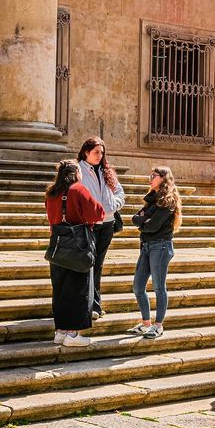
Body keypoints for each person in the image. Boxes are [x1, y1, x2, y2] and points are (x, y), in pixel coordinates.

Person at [45, 160, 105, 347]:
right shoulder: (79, 189)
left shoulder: (52, 192)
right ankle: (72, 334)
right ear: (76, 173)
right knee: (78, 289)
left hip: (57, 244)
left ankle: (61, 332)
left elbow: (50, 217)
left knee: (60, 289)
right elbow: (98, 213)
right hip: (78, 245)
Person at [127, 167, 181, 339]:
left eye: (154, 175)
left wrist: (143, 222)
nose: (150, 178)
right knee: (138, 287)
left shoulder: (168, 201)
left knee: (159, 287)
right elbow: (135, 218)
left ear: (164, 178)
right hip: (146, 245)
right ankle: (146, 324)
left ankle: (158, 326)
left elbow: (152, 225)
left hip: (161, 246)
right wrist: (143, 220)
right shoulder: (151, 200)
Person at [77, 137, 125, 319]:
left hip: (107, 224)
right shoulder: (78, 170)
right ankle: (85, 305)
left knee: (98, 264)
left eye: (102, 152)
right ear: (86, 152)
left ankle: (95, 306)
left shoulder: (107, 171)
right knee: (87, 264)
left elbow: (121, 193)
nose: (100, 155)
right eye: (96, 152)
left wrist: (113, 205)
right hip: (89, 225)